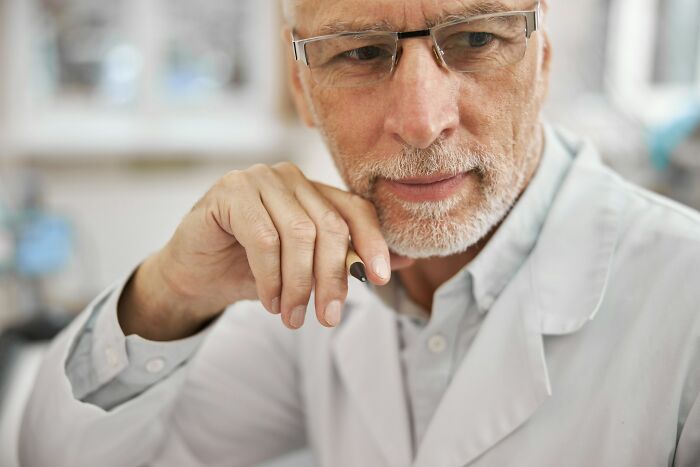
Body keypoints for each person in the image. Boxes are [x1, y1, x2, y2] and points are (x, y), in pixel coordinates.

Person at [18, 0, 700, 465]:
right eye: (362, 52)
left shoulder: (685, 304)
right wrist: (171, 290)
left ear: (541, 56)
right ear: (301, 85)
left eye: (474, 39)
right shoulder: (312, 296)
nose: (422, 121)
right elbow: (59, 451)